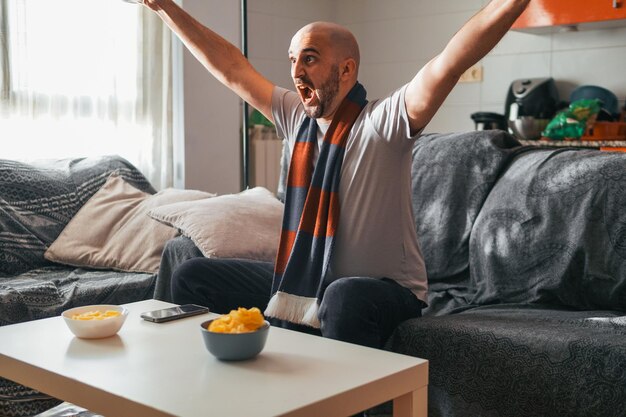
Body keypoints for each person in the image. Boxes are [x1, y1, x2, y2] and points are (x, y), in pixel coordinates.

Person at [143, 0, 531, 348]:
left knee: (342, 296)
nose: (296, 71)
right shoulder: (296, 117)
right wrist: (164, 7)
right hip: (308, 282)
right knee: (192, 274)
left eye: (308, 59)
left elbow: (451, 61)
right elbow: (232, 68)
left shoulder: (384, 121)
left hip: (384, 291)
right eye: (292, 59)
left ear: (346, 69)